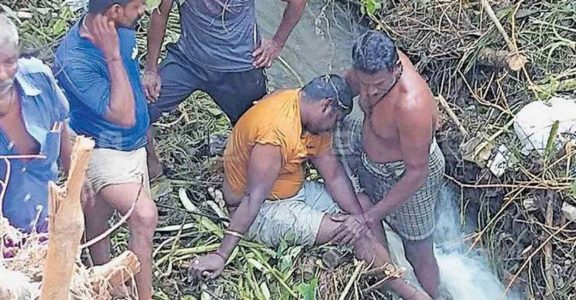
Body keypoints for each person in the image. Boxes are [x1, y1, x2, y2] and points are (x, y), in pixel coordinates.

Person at [189, 75, 432, 300]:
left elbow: (334, 175)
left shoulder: (309, 114)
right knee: (349, 234)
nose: (331, 129)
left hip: (295, 191)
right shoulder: (274, 134)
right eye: (334, 122)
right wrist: (221, 255)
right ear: (326, 106)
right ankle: (408, 293)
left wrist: (361, 217)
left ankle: (385, 270)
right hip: (263, 210)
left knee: (363, 208)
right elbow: (253, 199)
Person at [53, 1, 157, 299]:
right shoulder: (73, 60)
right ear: (114, 10)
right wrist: (112, 56)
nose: (144, 11)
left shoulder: (123, 29)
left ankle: (107, 279)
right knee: (144, 216)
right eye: (138, 5)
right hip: (102, 147)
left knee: (98, 214)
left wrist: (150, 150)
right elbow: (123, 114)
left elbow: (133, 86)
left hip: (131, 144)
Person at [143, 0, 307, 179]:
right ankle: (152, 166)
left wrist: (277, 43)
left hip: (239, 69)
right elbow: (160, 14)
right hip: (187, 61)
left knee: (260, 132)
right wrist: (151, 70)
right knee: (139, 110)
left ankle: (248, 181)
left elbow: (297, 2)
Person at [338, 30, 446, 298]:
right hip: (370, 154)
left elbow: (416, 173)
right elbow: (343, 88)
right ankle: (386, 274)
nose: (370, 92)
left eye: (379, 86)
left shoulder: (411, 105)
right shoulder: (366, 73)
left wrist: (369, 215)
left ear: (397, 69)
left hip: (409, 175)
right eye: (364, 84)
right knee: (324, 136)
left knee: (418, 251)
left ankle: (435, 295)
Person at [0, 14, 71, 234]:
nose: (2, 75)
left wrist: (75, 182)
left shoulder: (39, 78)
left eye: (9, 62)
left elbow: (61, 124)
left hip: (48, 224)